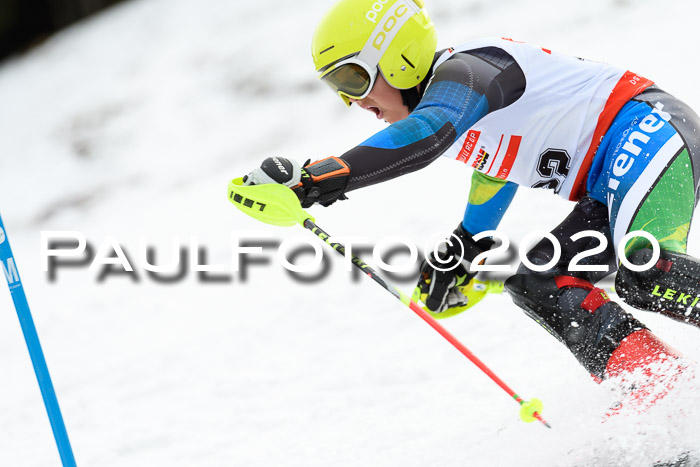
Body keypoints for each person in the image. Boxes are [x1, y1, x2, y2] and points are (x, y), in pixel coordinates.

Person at [243, 0, 700, 393]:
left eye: (353, 79)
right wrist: (468, 242)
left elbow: (427, 135)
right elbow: (496, 166)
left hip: (648, 133)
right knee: (538, 282)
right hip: (613, 176)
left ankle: (659, 388)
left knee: (645, 270)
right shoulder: (456, 99)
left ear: (397, 57)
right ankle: (658, 390)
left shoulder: (469, 71)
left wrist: (316, 179)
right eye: (338, 89)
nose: (354, 101)